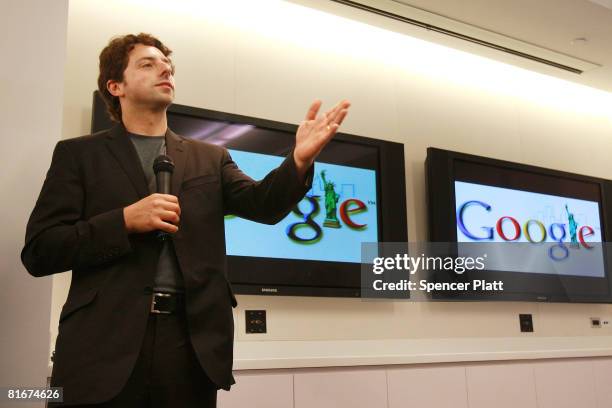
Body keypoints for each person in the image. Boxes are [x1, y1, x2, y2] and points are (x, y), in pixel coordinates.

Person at [21, 33, 350, 408]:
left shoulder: (210, 158)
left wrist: (298, 162)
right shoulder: (79, 155)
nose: (164, 68)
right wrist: (124, 221)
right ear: (116, 86)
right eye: (147, 63)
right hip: (102, 347)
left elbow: (264, 205)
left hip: (190, 350)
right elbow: (40, 250)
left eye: (167, 64)